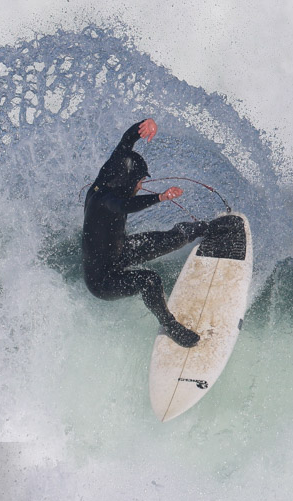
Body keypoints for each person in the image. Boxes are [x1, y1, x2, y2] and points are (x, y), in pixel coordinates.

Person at [82, 118, 214, 347]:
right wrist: (160, 197)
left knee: (176, 236)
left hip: (120, 250)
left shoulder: (109, 174)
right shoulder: (105, 200)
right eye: (140, 182)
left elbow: (125, 143)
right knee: (149, 280)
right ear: (127, 181)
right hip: (103, 280)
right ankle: (170, 325)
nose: (141, 186)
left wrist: (143, 125)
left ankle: (207, 229)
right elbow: (124, 207)